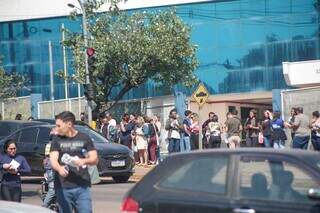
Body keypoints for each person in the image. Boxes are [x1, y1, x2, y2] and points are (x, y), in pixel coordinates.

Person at [49, 111, 98, 213]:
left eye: (59, 126)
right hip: (63, 187)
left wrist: (83, 161)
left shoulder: (84, 138)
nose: (56, 129)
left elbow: (94, 159)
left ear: (69, 124)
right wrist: (59, 168)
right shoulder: (56, 140)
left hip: (82, 187)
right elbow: (53, 160)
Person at [42, 143, 56, 208]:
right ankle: (44, 207)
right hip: (52, 181)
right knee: (52, 191)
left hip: (49, 179)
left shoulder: (46, 160)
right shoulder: (50, 160)